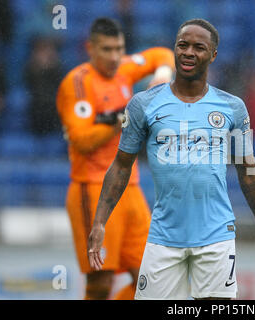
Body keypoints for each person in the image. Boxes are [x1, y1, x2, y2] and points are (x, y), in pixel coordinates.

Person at [88, 18, 255, 300]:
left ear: (213, 55)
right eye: (183, 45)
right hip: (164, 237)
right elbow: (120, 165)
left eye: (199, 47)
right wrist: (100, 222)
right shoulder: (143, 104)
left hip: (216, 237)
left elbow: (249, 172)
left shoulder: (233, 108)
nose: (189, 52)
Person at [56, 18, 174, 300]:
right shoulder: (77, 84)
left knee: (157, 276)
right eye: (107, 49)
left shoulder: (124, 68)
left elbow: (161, 54)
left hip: (130, 188)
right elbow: (81, 140)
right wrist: (121, 118)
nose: (114, 57)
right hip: (93, 188)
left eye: (118, 49)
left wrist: (163, 74)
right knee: (100, 283)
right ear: (90, 48)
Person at [24, 37, 64, 135]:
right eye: (42, 51)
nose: (46, 54)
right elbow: (33, 87)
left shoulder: (59, 70)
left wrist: (51, 68)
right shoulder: (30, 69)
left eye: (49, 50)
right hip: (36, 114)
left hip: (55, 115)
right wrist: (40, 69)